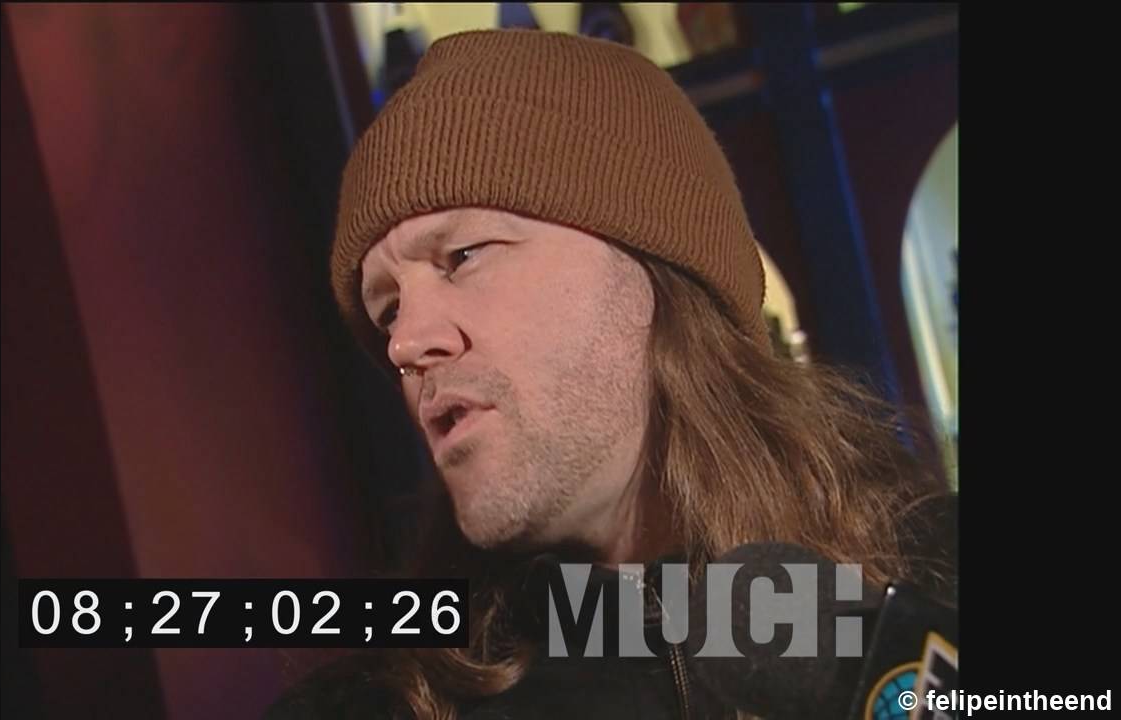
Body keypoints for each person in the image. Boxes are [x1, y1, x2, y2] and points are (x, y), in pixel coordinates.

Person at [265, 27, 956, 720]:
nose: (406, 343)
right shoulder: (369, 708)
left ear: (652, 267)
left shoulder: (940, 592)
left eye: (463, 256)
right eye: (387, 310)